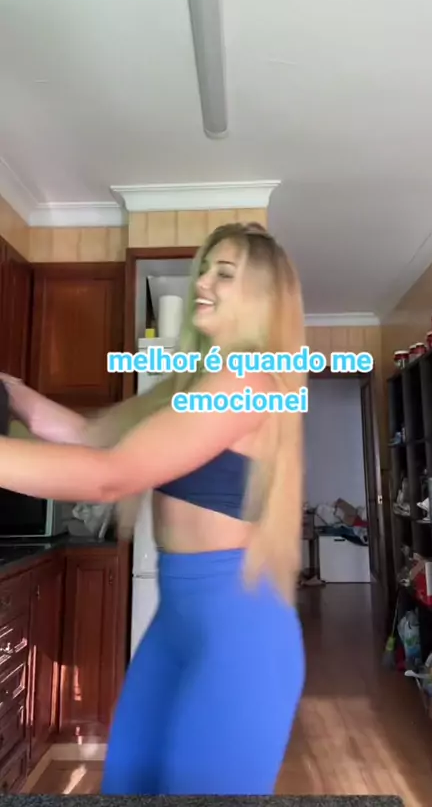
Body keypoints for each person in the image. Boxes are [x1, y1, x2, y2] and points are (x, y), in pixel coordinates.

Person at [0, 222, 306, 796]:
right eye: (204, 270)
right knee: (129, 786)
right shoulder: (186, 387)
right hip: (176, 625)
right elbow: (86, 436)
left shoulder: (249, 379)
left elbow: (110, 476)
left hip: (239, 638)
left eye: (224, 273)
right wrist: (11, 390)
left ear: (262, 296)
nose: (202, 283)